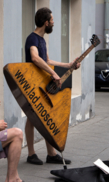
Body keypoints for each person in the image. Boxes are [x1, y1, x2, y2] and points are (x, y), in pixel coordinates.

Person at [25, 7, 80, 165]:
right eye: (52, 21)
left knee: (44, 116)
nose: (54, 24)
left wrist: (68, 65)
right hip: (32, 84)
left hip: (42, 83)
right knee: (31, 117)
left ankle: (51, 153)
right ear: (45, 22)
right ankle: (31, 154)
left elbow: (47, 61)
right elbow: (35, 58)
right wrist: (54, 74)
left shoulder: (42, 40)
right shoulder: (32, 39)